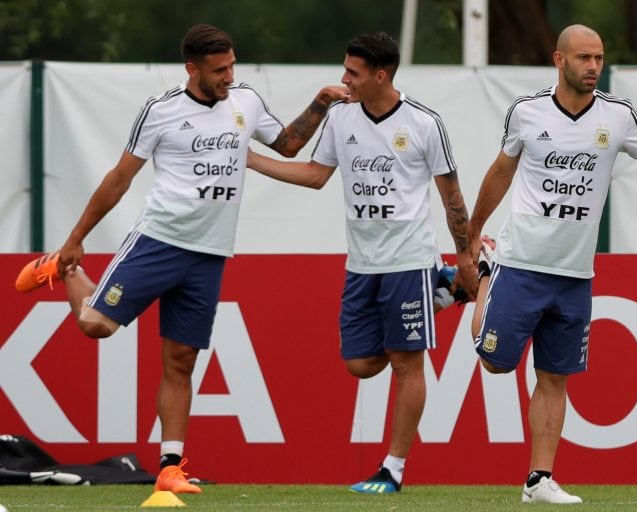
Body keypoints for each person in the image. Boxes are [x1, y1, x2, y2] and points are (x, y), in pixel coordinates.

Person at [15, 24, 348, 495]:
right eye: (218, 70)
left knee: (181, 358)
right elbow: (118, 179)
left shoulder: (245, 101)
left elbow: (288, 145)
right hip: (158, 240)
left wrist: (321, 102)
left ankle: (170, 467)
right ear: (192, 68)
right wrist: (76, 238)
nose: (228, 76)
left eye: (232, 66)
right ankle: (67, 268)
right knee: (95, 327)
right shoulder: (161, 111)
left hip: (210, 252)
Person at [467, 24, 637, 504]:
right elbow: (500, 172)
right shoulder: (527, 113)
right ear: (559, 60)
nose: (593, 67)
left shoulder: (618, 115)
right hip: (521, 262)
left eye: (599, 58)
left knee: (555, 376)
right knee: (493, 363)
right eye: (584, 58)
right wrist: (473, 231)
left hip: (575, 273)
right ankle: (487, 275)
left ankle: (538, 480)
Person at [247, 31, 477, 494]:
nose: (343, 79)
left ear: (380, 74)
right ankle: (444, 295)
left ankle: (392, 468)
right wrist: (249, 160)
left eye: (352, 72)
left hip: (409, 257)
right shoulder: (341, 117)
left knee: (406, 363)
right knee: (358, 363)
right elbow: (314, 175)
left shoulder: (424, 122)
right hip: (362, 262)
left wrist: (466, 255)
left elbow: (451, 197)